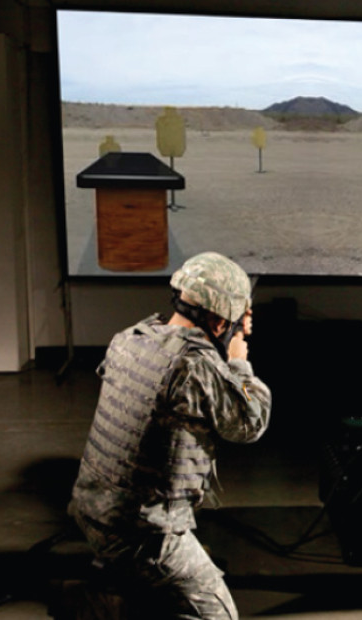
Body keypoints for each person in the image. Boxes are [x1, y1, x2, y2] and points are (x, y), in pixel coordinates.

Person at [68, 251, 272, 619]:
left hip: (91, 509)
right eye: (240, 319)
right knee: (220, 616)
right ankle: (103, 603)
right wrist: (239, 360)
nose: (244, 326)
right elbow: (249, 423)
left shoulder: (130, 339)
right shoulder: (193, 365)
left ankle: (117, 583)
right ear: (215, 319)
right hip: (142, 533)